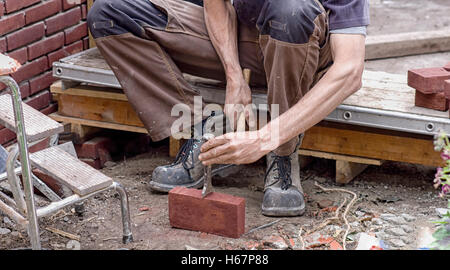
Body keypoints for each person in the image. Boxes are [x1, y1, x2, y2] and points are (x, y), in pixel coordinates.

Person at [87, 0, 369, 217]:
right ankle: (206, 130)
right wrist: (233, 75)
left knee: (291, 9)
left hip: (301, 48)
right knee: (110, 13)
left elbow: (350, 70)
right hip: (246, 41)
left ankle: (283, 153)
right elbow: (216, 4)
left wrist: (265, 137)